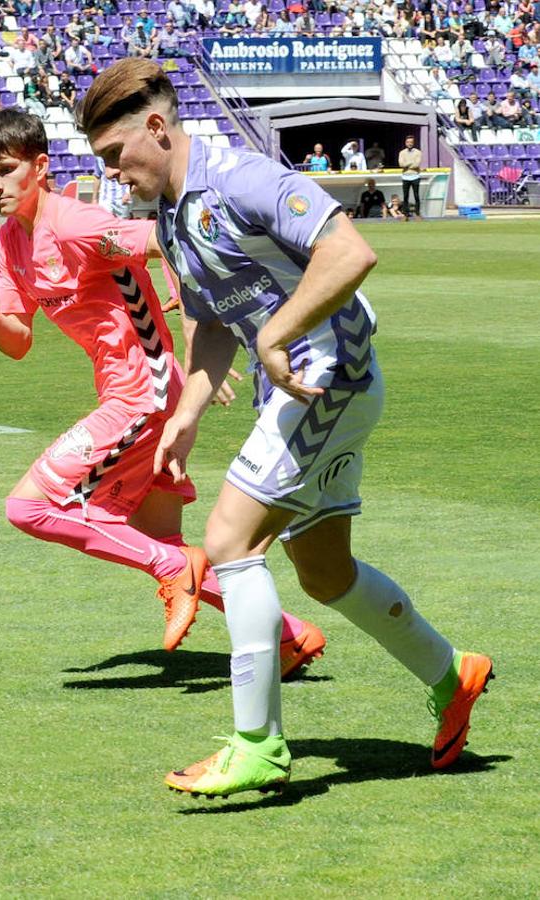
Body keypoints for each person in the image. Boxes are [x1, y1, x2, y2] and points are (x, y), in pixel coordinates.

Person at [80, 59, 492, 798]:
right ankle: (450, 673)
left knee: (229, 541)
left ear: (154, 126)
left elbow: (349, 251)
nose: (114, 175)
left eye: (116, 157)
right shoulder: (170, 217)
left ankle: (258, 745)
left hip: (330, 373)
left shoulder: (239, 177)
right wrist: (185, 416)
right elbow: (210, 320)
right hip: (302, 386)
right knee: (325, 570)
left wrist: (275, 335)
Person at [0, 107, 327, 672]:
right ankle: (290, 634)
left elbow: (166, 238)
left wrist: (197, 352)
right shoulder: (8, 242)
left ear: (39, 167)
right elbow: (18, 340)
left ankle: (175, 575)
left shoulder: (73, 222)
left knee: (30, 506)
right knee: (161, 541)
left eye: (5, 170)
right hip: (132, 391)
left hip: (142, 390)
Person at [398, 134, 421, 219]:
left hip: (415, 176)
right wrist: (411, 162)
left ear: (413, 143)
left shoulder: (418, 152)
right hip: (405, 177)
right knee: (405, 196)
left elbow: (417, 164)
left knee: (416, 196)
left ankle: (417, 213)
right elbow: (401, 164)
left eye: (411, 142)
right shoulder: (402, 152)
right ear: (405, 143)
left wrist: (406, 164)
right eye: (408, 142)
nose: (409, 143)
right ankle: (405, 214)